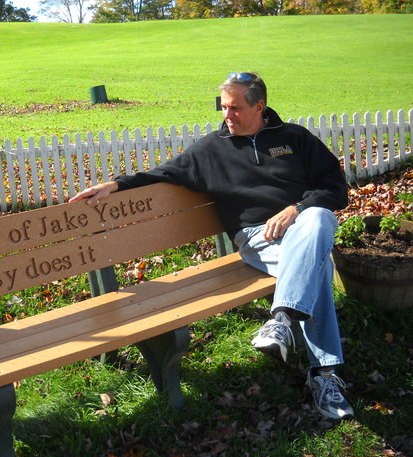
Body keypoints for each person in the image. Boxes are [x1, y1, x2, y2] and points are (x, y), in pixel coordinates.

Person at [69, 72, 354, 420]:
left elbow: (336, 190)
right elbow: (163, 173)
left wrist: (295, 209)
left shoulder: (294, 138)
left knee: (318, 219)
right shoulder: (211, 150)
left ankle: (283, 320)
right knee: (317, 263)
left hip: (301, 231)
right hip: (257, 240)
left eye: (235, 108)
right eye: (223, 107)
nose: (227, 115)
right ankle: (324, 374)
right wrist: (115, 185)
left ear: (259, 106)